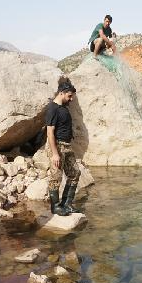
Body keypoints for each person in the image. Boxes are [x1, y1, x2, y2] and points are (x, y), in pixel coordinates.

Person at [45, 76, 81, 216]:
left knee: (75, 173)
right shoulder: (52, 108)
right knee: (56, 177)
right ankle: (55, 207)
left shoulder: (63, 107)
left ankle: (67, 203)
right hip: (58, 146)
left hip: (67, 146)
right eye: (69, 96)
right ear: (62, 93)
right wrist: (55, 153)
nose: (71, 99)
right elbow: (49, 132)